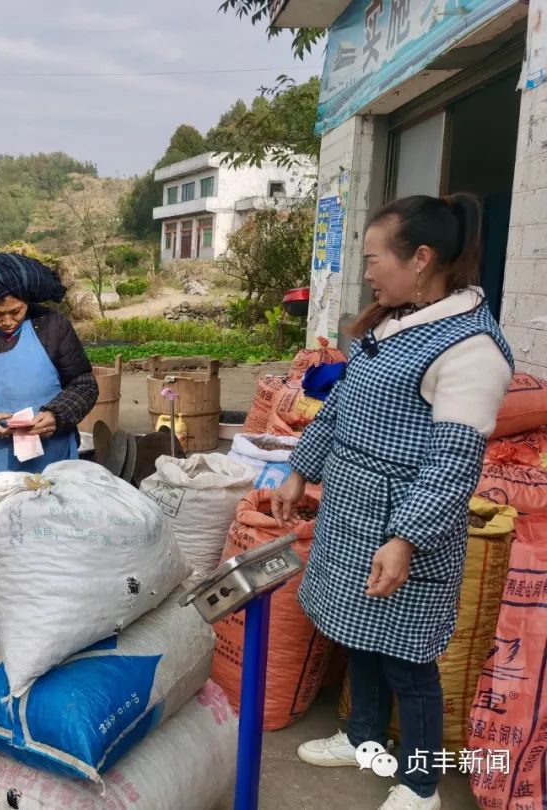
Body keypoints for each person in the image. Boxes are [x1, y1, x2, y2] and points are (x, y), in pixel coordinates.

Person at [272, 194, 514, 810]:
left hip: (405, 523)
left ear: (421, 258)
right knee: (358, 632)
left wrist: (405, 539)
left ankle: (420, 786)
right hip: (353, 511)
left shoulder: (469, 348)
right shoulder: (393, 322)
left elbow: (452, 463)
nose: (368, 273)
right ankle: (363, 737)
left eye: (374, 258)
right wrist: (300, 471)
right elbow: (343, 406)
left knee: (408, 657)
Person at [0, 251, 99, 641]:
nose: (7, 320)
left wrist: (57, 414)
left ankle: (57, 626)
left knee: (54, 540)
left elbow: (84, 384)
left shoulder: (53, 326)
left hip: (51, 457)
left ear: (27, 301)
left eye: (15, 311)